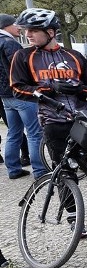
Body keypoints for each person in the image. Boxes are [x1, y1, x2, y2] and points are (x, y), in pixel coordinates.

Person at [10, 8, 87, 173]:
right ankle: (69, 199)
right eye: (26, 30)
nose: (27, 34)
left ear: (50, 32)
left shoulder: (75, 56)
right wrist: (48, 89)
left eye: (33, 30)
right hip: (53, 123)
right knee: (65, 173)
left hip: (83, 121)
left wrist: (80, 90)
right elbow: (17, 88)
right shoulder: (23, 56)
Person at [1, 13, 44, 178]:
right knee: (34, 133)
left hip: (5, 97)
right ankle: (40, 171)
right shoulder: (9, 43)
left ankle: (13, 169)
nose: (19, 28)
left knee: (13, 132)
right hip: (21, 94)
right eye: (15, 24)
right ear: (6, 26)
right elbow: (21, 68)